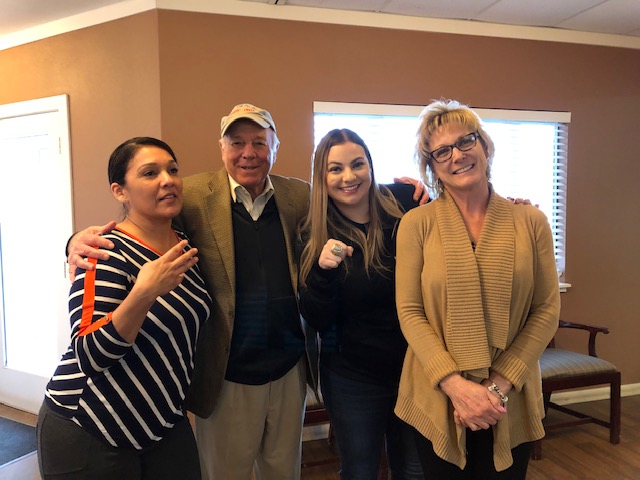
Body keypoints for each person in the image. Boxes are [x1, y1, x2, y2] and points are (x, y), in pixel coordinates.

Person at [66, 104, 426, 480]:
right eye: (236, 142)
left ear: (275, 147)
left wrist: (407, 190)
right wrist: (75, 241)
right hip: (228, 374)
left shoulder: (298, 195)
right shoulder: (192, 195)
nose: (248, 153)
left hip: (288, 369)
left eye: (259, 142)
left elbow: (349, 193)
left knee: (283, 473)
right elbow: (139, 216)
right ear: (222, 148)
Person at [393, 99, 561, 479]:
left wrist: (496, 387)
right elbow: (410, 312)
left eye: (466, 141)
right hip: (438, 395)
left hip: (511, 396)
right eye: (442, 151)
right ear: (432, 166)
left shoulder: (530, 221)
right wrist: (456, 387)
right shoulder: (416, 225)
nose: (457, 155)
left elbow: (547, 310)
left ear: (484, 145)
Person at [37, 137, 212, 480]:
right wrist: (144, 293)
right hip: (90, 425)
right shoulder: (103, 252)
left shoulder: (184, 244)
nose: (167, 180)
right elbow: (90, 354)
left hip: (162, 423)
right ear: (120, 191)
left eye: (172, 170)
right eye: (150, 173)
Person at [298, 129, 423, 480]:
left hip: (416, 369)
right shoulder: (313, 232)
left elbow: (459, 213)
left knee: (415, 471)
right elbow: (318, 318)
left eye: (357, 164)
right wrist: (323, 272)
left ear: (370, 165)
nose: (348, 177)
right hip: (352, 378)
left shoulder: (405, 202)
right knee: (359, 472)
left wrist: (513, 209)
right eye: (335, 169)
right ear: (322, 177)